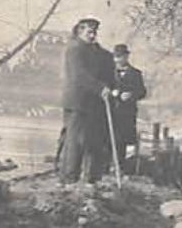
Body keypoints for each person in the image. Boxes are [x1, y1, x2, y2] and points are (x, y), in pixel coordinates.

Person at [56, 17, 116, 182]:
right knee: (75, 141)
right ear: (79, 31)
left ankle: (91, 178)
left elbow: (104, 71)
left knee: (92, 141)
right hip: (77, 103)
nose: (92, 35)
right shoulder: (74, 49)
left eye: (94, 32)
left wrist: (107, 87)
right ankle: (69, 178)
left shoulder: (96, 51)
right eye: (89, 32)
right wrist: (100, 88)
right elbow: (79, 75)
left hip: (93, 104)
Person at [107, 43, 148, 172]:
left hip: (127, 113)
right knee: (107, 138)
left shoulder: (136, 74)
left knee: (122, 141)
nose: (119, 60)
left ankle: (119, 167)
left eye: (121, 57)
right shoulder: (107, 72)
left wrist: (131, 95)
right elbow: (102, 88)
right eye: (116, 57)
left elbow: (142, 92)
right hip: (110, 111)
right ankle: (105, 166)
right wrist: (114, 93)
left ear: (127, 57)